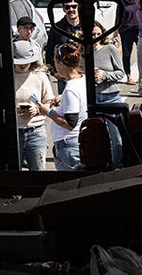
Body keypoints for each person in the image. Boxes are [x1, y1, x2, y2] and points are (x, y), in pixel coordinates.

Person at [13, 39, 54, 170]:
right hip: (14, 130)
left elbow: (50, 102)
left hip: (36, 131)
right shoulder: (7, 76)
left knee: (38, 174)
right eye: (19, 62)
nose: (22, 65)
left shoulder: (40, 76)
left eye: (25, 62)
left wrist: (36, 110)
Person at [47, 41, 87, 171]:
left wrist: (47, 111)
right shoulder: (82, 80)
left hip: (69, 144)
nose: (55, 67)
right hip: (75, 142)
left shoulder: (71, 89)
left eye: (55, 62)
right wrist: (62, 98)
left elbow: (70, 123)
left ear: (60, 64)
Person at [47, 0, 83, 91]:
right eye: (67, 7)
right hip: (64, 78)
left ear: (78, 7)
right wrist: (54, 72)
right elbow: (49, 52)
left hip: (83, 76)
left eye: (74, 6)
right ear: (63, 9)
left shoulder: (88, 27)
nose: (71, 10)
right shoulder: (56, 28)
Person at [91, 21, 126, 104]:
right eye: (93, 34)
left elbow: (121, 73)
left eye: (98, 34)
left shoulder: (110, 49)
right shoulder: (83, 53)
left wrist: (104, 75)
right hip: (91, 97)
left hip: (111, 97)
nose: (96, 37)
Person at [116, 0, 140, 83]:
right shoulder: (121, 3)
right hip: (126, 31)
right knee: (126, 54)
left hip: (139, 30)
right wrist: (115, 33)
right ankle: (128, 76)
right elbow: (118, 18)